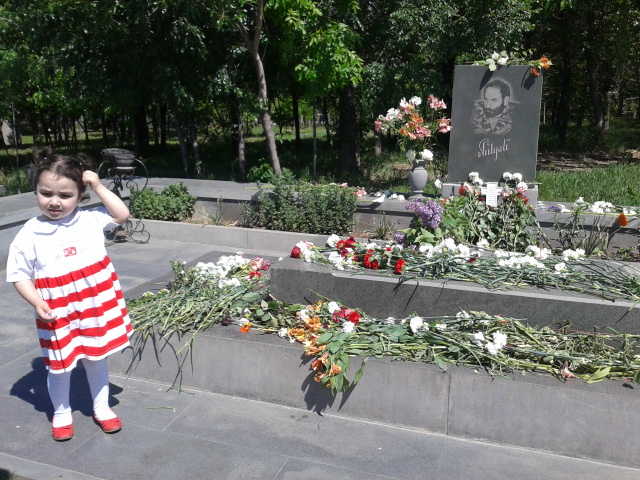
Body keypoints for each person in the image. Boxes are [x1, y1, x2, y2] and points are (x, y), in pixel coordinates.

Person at [6, 147, 132, 441]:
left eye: (65, 195)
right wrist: (36, 301)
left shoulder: (90, 219)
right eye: (46, 193)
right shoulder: (30, 233)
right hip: (57, 309)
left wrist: (99, 186)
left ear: (80, 195)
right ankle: (61, 413)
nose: (54, 201)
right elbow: (19, 274)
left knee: (96, 358)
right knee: (60, 365)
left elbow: (122, 214)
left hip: (94, 305)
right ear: (36, 191)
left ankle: (101, 408)